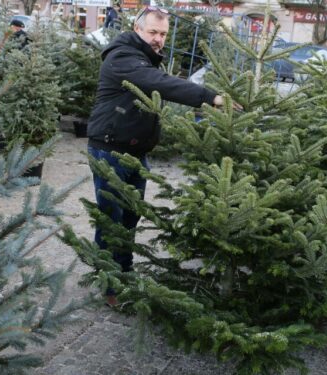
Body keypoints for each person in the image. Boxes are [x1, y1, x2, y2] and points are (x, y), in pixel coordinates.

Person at [86, 6, 231, 305]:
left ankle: (124, 271)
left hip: (136, 151)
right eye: (152, 32)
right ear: (137, 29)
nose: (158, 39)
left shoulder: (145, 57)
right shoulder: (123, 56)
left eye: (163, 34)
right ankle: (109, 282)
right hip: (111, 149)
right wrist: (209, 97)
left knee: (130, 216)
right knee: (111, 218)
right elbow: (160, 84)